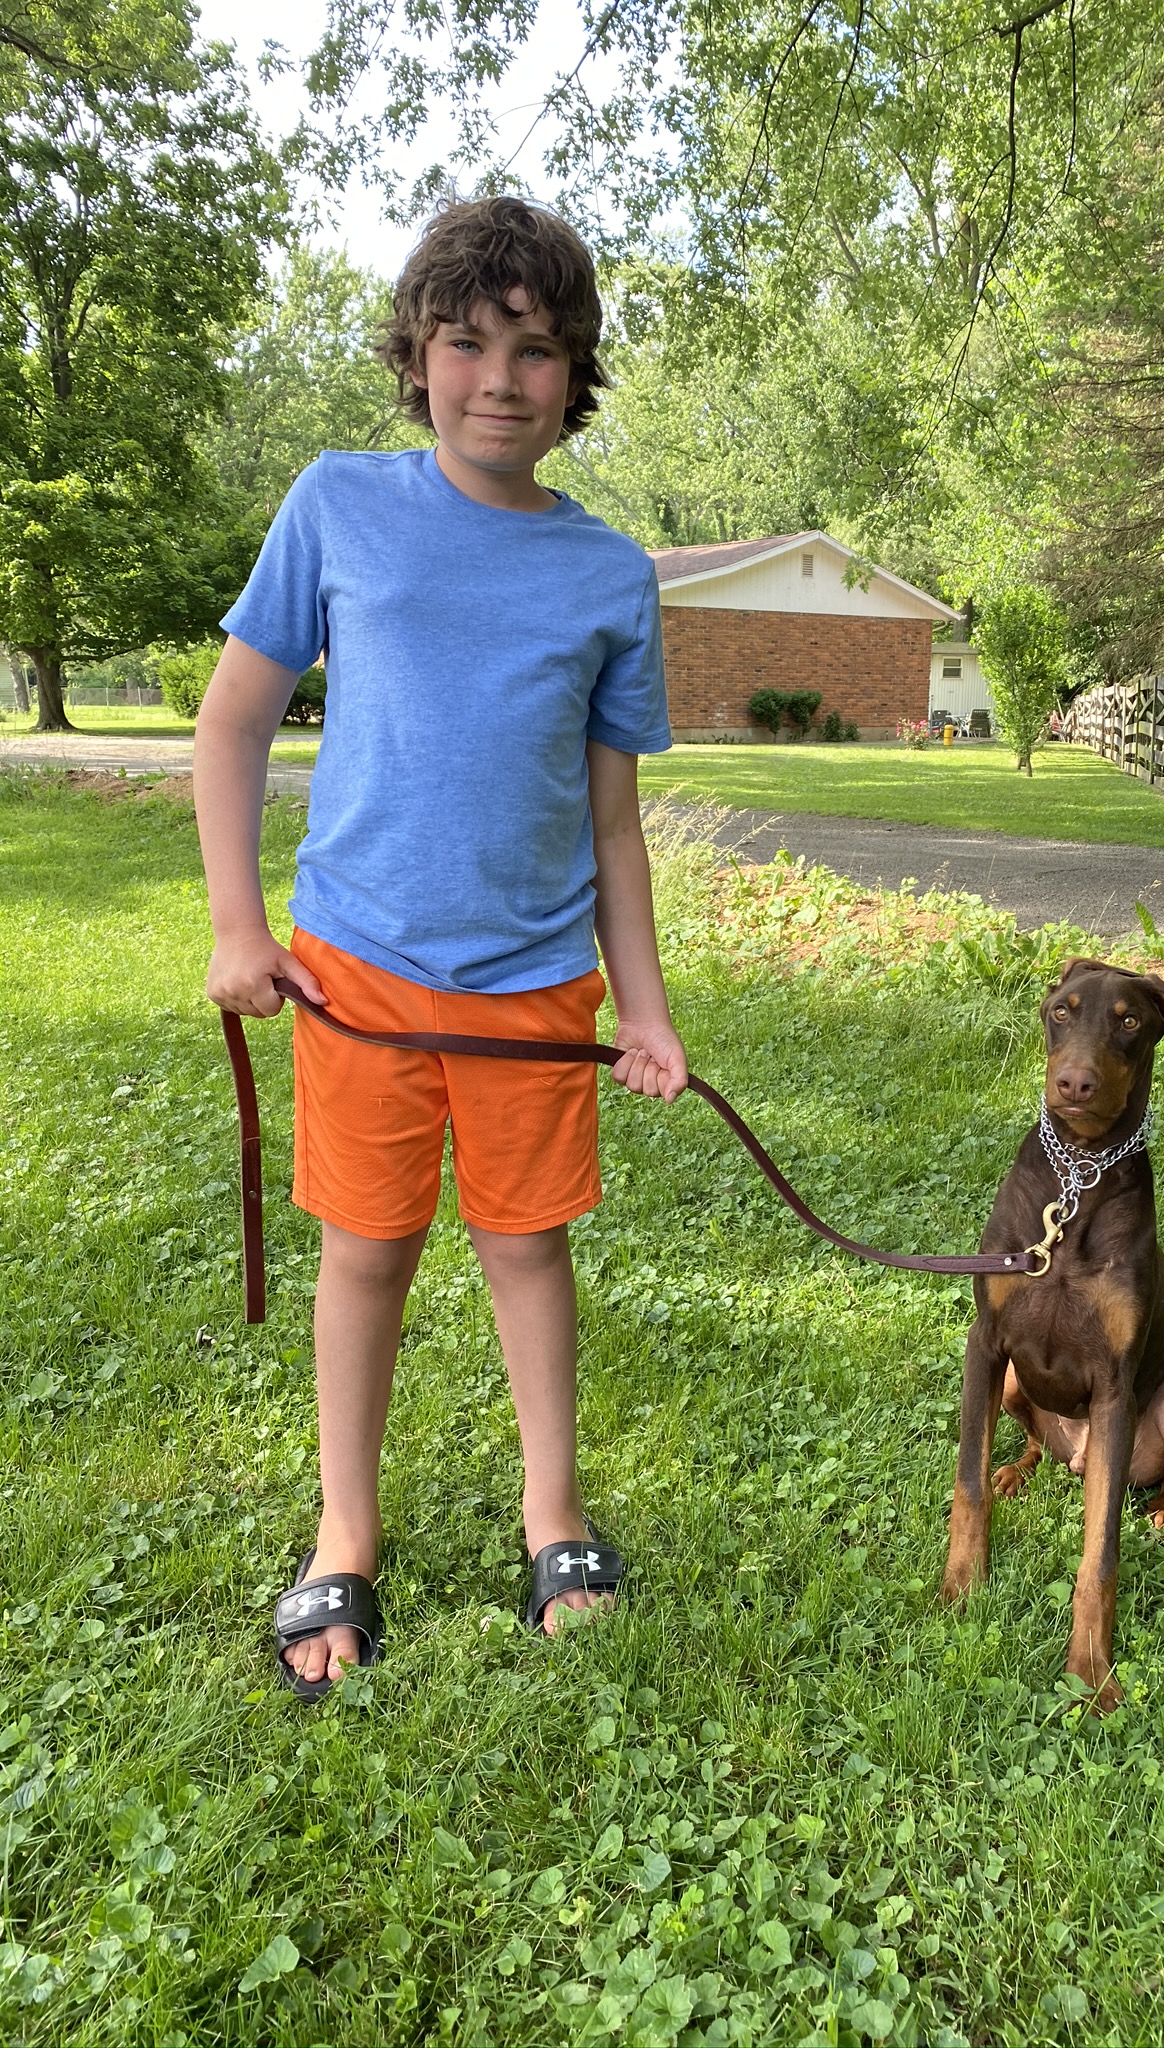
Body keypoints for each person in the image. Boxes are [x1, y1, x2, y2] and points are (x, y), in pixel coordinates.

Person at [193, 196, 685, 1695]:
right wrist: (237, 926)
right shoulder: (339, 504)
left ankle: (555, 1517)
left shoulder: (611, 577)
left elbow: (613, 829)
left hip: (537, 987)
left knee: (528, 1248)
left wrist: (648, 1011)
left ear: (574, 375)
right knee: (367, 1254)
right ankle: (345, 1530)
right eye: (466, 341)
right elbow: (232, 720)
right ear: (416, 353)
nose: (499, 378)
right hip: (355, 976)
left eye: (535, 350)